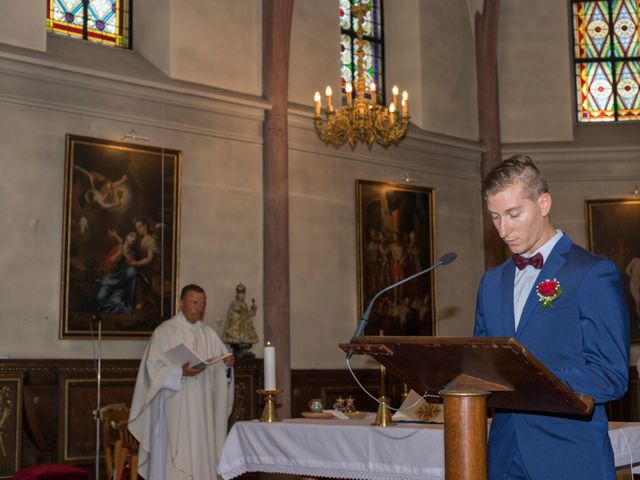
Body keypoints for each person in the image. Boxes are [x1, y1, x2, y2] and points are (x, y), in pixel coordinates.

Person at [474, 155, 629, 480]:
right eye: (495, 217)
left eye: (514, 214)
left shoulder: (592, 273)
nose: (504, 230)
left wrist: (531, 379)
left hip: (569, 457)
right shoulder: (491, 282)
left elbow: (611, 376)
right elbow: (482, 363)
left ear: (543, 203)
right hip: (502, 456)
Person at [128, 284, 235, 480]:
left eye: (202, 303)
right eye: (194, 302)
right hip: (174, 409)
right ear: (181, 303)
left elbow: (221, 369)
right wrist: (178, 372)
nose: (199, 307)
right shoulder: (165, 332)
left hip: (202, 413)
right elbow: (152, 370)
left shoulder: (209, 334)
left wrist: (227, 365)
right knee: (173, 461)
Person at [222, 283, 258, 357]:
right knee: (237, 340)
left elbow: (247, 313)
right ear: (237, 294)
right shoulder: (234, 303)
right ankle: (239, 350)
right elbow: (232, 315)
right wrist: (239, 312)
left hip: (245, 328)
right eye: (241, 294)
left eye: (243, 294)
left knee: (246, 340)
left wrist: (253, 309)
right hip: (237, 327)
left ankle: (244, 350)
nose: (242, 296)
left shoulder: (244, 304)